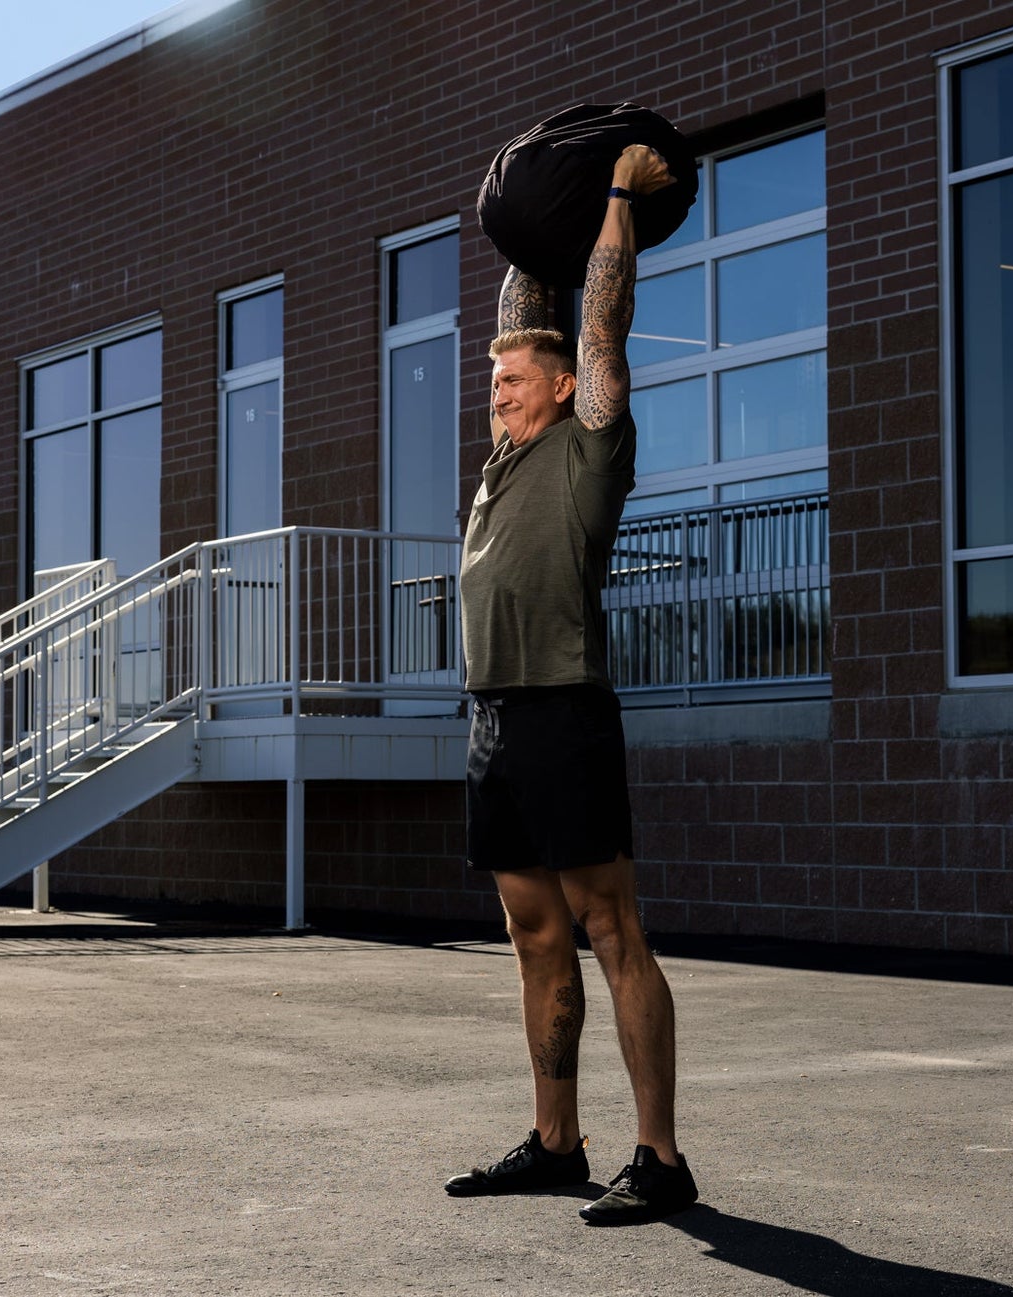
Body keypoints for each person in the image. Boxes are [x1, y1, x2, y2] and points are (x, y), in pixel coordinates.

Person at [445, 144, 697, 1226]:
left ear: (561, 389)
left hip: (563, 710)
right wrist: (525, 226)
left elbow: (596, 324)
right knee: (534, 936)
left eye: (513, 379)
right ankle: (556, 1143)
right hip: (493, 720)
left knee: (608, 927)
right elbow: (528, 308)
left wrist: (614, 196)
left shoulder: (589, 445)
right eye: (494, 379)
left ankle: (660, 1156)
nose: (496, 390)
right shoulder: (501, 460)